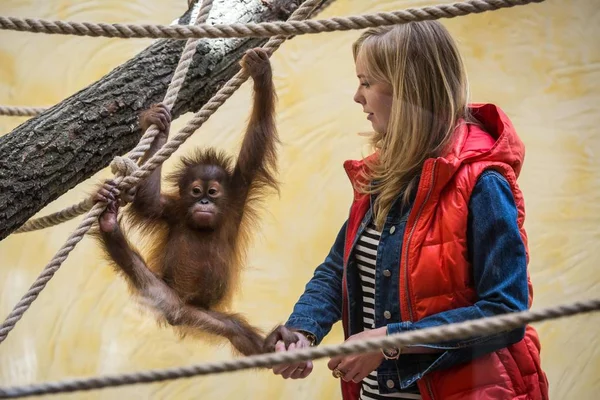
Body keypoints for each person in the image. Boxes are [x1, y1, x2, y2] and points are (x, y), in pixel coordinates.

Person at [267, 21, 549, 400]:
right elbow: (338, 270)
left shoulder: (483, 183)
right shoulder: (384, 173)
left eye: (366, 82)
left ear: (407, 88)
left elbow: (505, 314)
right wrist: (302, 332)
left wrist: (389, 340)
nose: (356, 96)